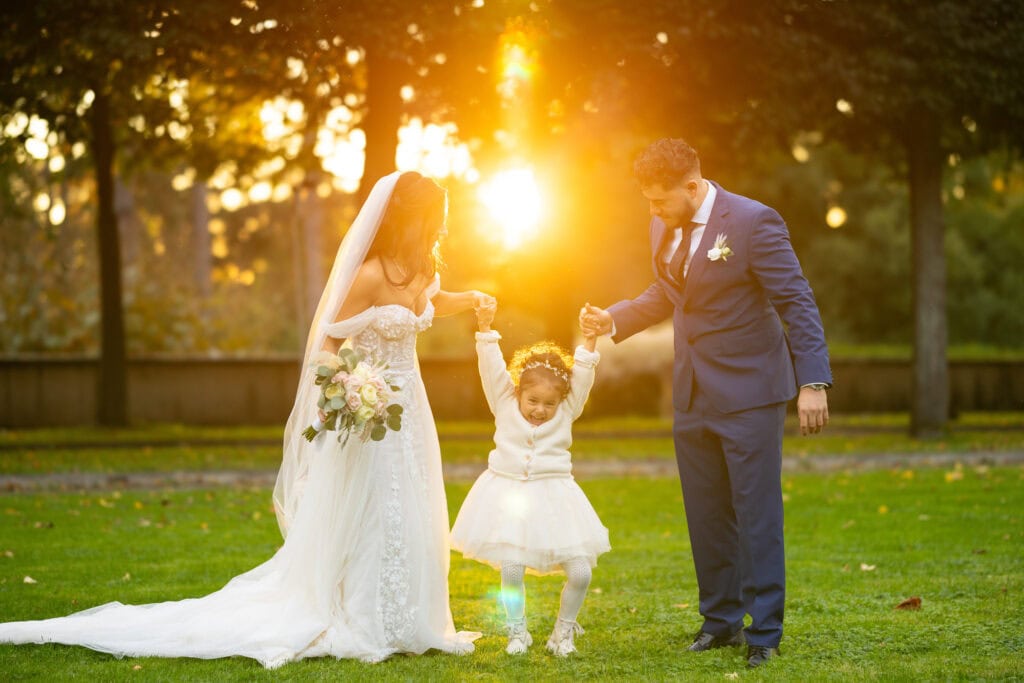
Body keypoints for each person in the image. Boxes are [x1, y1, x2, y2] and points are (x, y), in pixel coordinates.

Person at [0, 171, 486, 668]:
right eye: (437, 221)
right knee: (374, 509)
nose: (443, 230)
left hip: (411, 412)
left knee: (412, 503)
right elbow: (327, 345)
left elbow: (426, 305)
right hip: (372, 412)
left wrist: (469, 300)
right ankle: (365, 616)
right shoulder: (369, 274)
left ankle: (409, 618)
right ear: (412, 219)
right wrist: (347, 389)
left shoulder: (422, 269)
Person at [581, 138, 831, 669]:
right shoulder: (662, 223)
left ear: (692, 187)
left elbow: (797, 301)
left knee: (755, 512)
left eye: (659, 200)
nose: (652, 211)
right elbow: (670, 292)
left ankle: (765, 629)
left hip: (751, 392)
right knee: (706, 513)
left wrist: (813, 382)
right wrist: (615, 318)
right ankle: (720, 622)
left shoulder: (754, 222)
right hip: (691, 392)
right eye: (647, 201)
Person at [450, 299, 610, 657]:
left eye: (548, 405)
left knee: (581, 572)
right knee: (511, 567)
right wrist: (486, 329)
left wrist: (590, 340)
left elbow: (582, 376)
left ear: (562, 403)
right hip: (508, 495)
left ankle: (562, 634)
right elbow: (491, 370)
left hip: (555, 498)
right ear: (518, 394)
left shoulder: (568, 409)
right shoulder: (504, 402)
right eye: (533, 400)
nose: (540, 410)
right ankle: (517, 632)